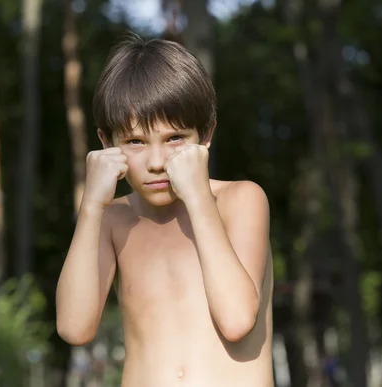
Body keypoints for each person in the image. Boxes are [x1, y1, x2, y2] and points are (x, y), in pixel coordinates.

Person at [56, 32, 274, 387]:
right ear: (106, 144)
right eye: (136, 142)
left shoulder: (240, 200)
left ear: (205, 136)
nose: (156, 162)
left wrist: (199, 197)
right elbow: (73, 327)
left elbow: (236, 319)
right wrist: (92, 206)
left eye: (174, 138)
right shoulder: (111, 219)